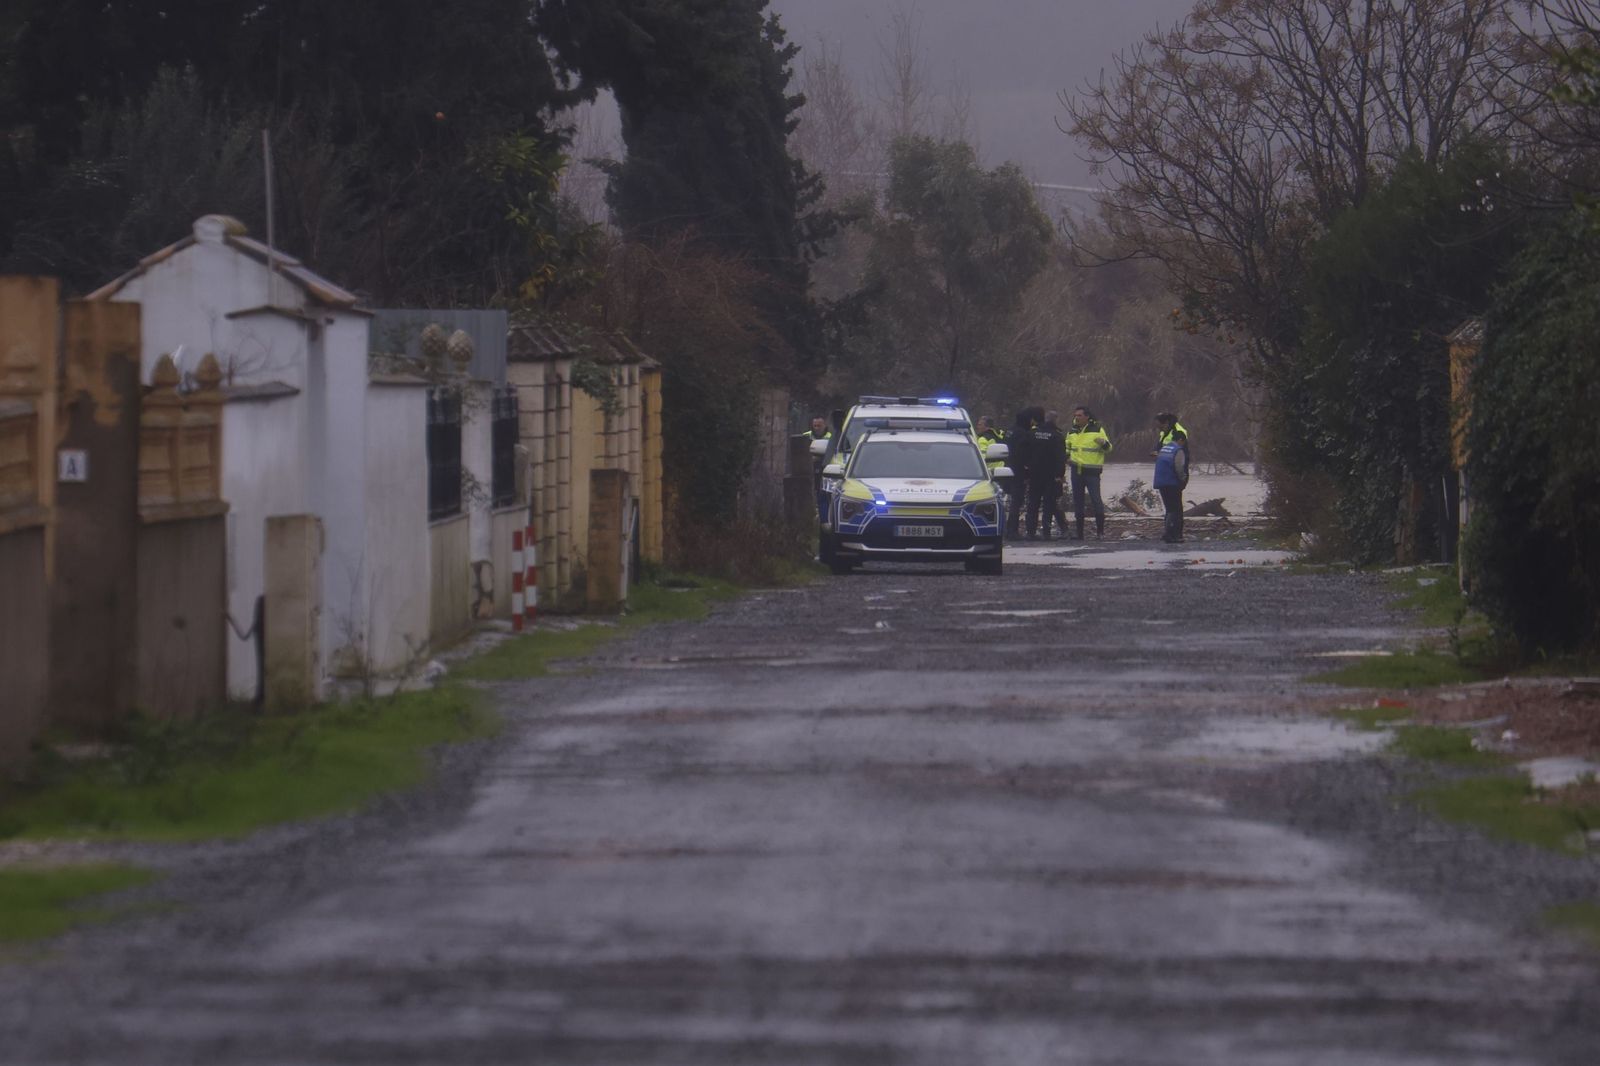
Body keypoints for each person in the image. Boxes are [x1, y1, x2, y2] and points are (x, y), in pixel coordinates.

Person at [1067, 405, 1111, 540]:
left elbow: (1108, 448)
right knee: (1078, 502)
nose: (1077, 418)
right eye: (1075, 415)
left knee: (1096, 500)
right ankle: (1079, 534)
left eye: (1079, 415)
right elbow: (1067, 446)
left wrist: (1103, 443)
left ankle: (1100, 533)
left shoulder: (1097, 429)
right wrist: (1066, 457)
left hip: (1092, 472)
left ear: (1087, 417)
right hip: (1076, 471)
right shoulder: (1072, 430)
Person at [1025, 407, 1066, 540]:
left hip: (1034, 475)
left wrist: (1027, 472)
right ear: (1055, 420)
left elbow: (1026, 454)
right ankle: (1046, 532)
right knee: (1048, 504)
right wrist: (1059, 475)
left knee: (1033, 504)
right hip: (1050, 476)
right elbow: (1060, 458)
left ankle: (1030, 531)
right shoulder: (1057, 436)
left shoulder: (1032, 433)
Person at [1153, 425, 1190, 543]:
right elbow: (1179, 467)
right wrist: (1183, 479)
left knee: (1169, 509)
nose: (1183, 445)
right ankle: (1173, 535)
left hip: (1161, 482)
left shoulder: (1164, 449)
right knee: (1176, 510)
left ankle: (1167, 533)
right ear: (1181, 440)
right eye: (1183, 442)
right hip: (1172, 483)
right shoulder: (1178, 450)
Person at [1005, 409, 1035, 540]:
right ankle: (1012, 531)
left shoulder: (1009, 431)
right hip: (1018, 472)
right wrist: (1027, 472)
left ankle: (1008, 529)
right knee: (1016, 502)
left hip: (1006, 469)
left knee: (1010, 501)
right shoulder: (1023, 434)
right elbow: (1024, 455)